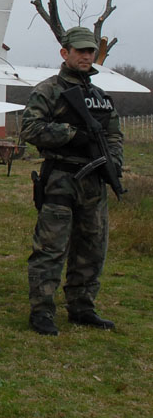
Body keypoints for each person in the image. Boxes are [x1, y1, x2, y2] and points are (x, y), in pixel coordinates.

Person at [21, 26, 123, 336]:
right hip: (62, 178)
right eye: (80, 51)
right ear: (65, 53)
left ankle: (82, 306)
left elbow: (114, 133)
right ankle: (42, 310)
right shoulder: (48, 90)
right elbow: (30, 130)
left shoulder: (99, 96)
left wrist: (114, 161)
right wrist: (72, 135)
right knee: (51, 248)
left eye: (90, 51)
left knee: (92, 247)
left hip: (94, 180)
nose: (86, 56)